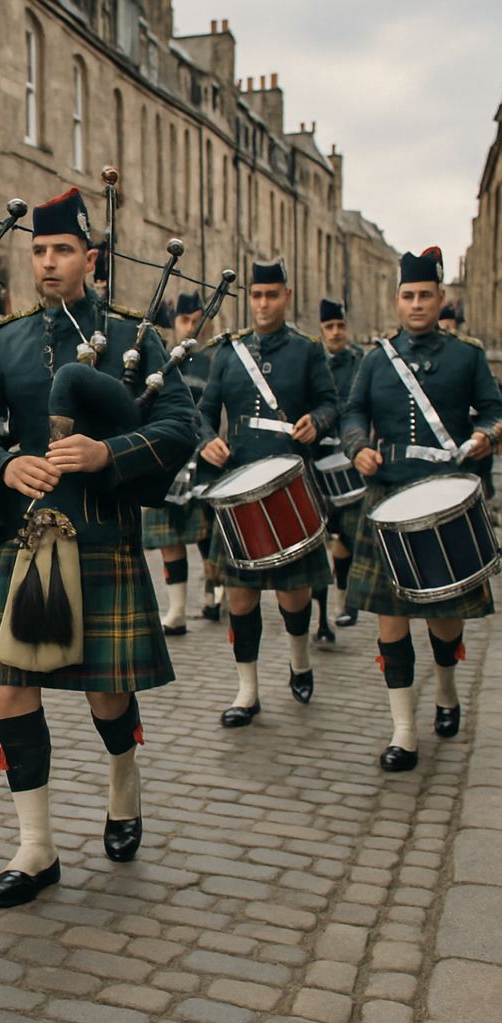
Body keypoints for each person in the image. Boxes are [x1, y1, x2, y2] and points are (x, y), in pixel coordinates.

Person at [0, 188, 196, 907]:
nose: (49, 262)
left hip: (100, 536)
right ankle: (36, 848)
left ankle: (124, 781)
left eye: (63, 250)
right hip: (24, 538)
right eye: (39, 250)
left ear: (91, 259)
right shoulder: (5, 342)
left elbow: (180, 426)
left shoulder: (132, 338)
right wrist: (3, 465)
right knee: (11, 689)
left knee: (107, 692)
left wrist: (109, 453)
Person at [342, 246, 502, 772]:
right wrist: (356, 447)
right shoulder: (376, 359)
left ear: (440, 297)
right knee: (391, 620)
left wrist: (487, 433)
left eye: (425, 295)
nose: (416, 303)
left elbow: (496, 410)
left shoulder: (467, 357)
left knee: (445, 619)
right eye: (408, 295)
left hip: (446, 499)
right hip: (387, 496)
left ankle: (447, 689)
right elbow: (353, 412)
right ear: (398, 299)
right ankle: (404, 730)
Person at [198, 258, 338, 727]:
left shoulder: (307, 350)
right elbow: (203, 413)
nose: (263, 304)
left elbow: (331, 404)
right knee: (240, 598)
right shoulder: (228, 352)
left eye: (271, 295)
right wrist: (206, 440)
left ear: (286, 296)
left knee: (294, 594)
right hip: (239, 487)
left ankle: (299, 660)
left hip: (289, 484)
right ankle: (248, 691)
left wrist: (317, 421)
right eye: (257, 296)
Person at [142, 290, 219, 634]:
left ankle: (214, 593)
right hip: (168, 459)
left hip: (206, 459)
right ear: (174, 323)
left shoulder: (216, 360)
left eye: (197, 320)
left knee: (208, 536)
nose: (191, 327)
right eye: (184, 320)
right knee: (168, 537)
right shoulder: (162, 360)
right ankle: (176, 610)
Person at [314, 298, 365, 636]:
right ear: (321, 330)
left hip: (349, 458)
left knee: (347, 535)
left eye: (340, 326)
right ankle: (321, 619)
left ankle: (343, 601)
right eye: (329, 327)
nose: (335, 332)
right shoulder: (313, 362)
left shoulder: (360, 363)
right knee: (319, 539)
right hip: (315, 460)